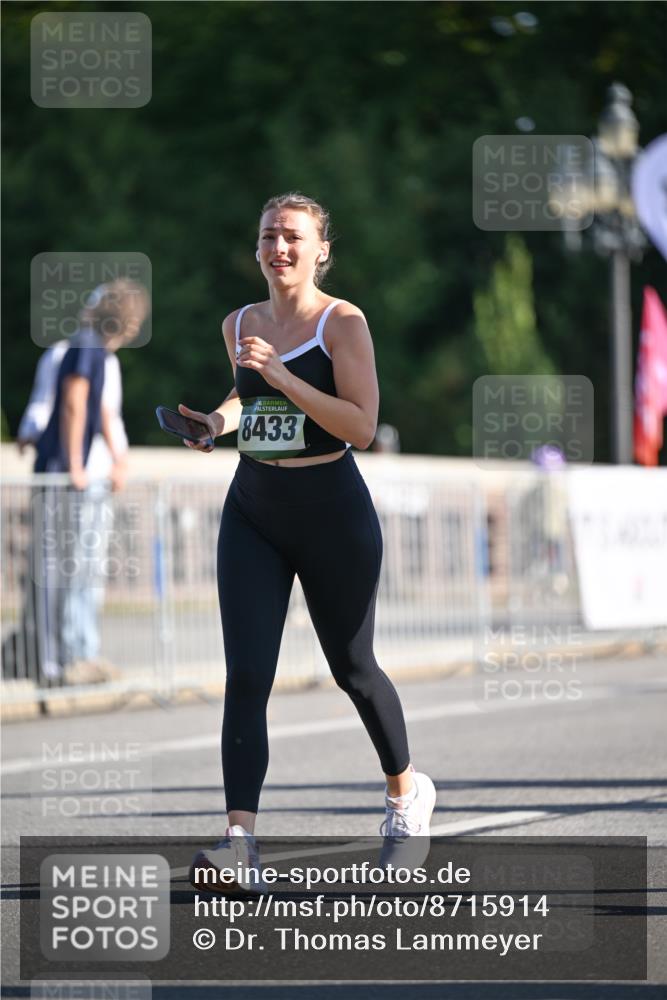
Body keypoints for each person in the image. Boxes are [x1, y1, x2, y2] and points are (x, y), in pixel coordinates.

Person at [182, 193, 436, 893]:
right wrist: (215, 422)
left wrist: (284, 376)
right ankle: (240, 843)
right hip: (254, 511)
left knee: (353, 669)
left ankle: (405, 795)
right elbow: (249, 399)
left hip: (331, 513)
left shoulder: (342, 322)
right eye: (269, 235)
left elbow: (360, 426)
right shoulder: (239, 323)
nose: (279, 248)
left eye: (293, 236)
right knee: (246, 677)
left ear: (320, 250)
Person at [30, 279, 149, 683]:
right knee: (73, 566)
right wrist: (75, 465)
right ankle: (70, 656)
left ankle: (81, 651)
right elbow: (74, 403)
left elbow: (97, 409)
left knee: (82, 566)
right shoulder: (87, 349)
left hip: (78, 472)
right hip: (70, 475)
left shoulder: (92, 350)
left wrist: (117, 459)